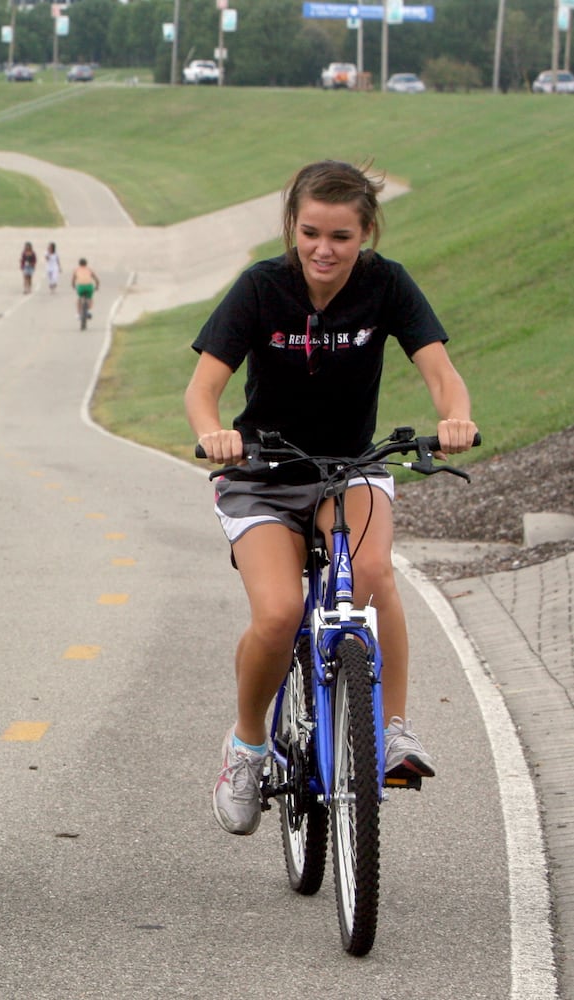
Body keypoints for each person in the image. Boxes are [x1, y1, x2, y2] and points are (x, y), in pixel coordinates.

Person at [183, 160, 478, 836]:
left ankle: (393, 731)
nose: (323, 249)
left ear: (365, 233)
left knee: (373, 572)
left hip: (349, 467)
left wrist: (455, 416)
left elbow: (439, 371)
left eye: (340, 236)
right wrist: (213, 432)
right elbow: (202, 390)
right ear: (292, 227)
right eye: (310, 232)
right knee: (280, 610)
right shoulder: (261, 287)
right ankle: (247, 746)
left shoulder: (386, 284)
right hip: (262, 472)